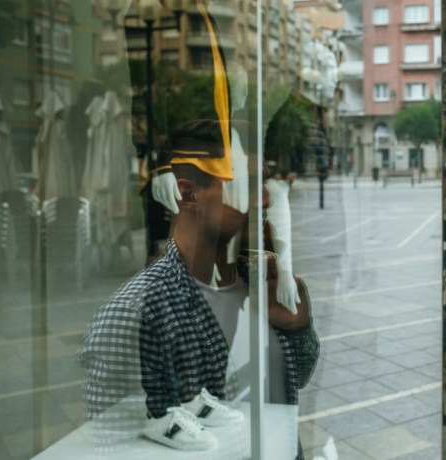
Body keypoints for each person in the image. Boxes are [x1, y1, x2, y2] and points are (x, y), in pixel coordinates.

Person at [78, 119, 319, 454]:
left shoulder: (261, 281)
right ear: (188, 194)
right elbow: (116, 447)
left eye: (263, 181)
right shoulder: (134, 314)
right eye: (246, 184)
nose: (265, 200)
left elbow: (291, 380)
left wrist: (297, 329)